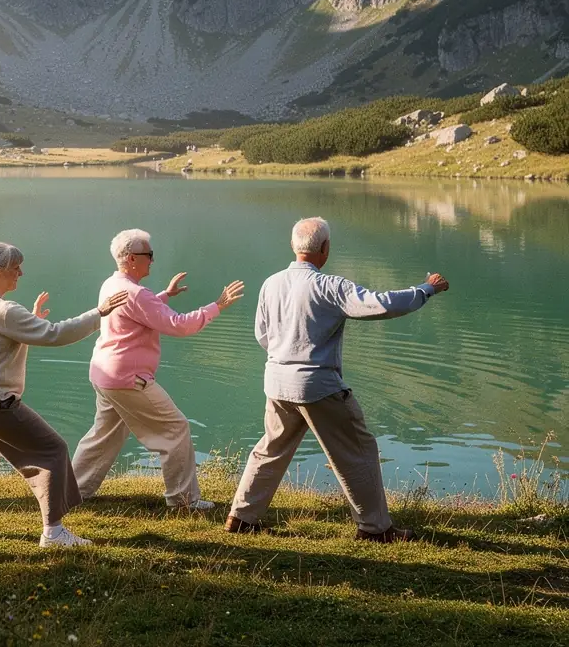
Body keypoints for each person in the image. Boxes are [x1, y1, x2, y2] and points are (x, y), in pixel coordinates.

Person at [226, 216, 450, 542]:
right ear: (325, 249)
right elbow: (381, 305)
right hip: (317, 387)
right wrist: (426, 289)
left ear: (293, 246)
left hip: (276, 382)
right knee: (358, 451)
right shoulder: (330, 287)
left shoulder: (271, 283)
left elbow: (263, 335)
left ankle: (241, 518)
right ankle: (376, 529)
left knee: (270, 450)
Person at [0, 242, 129, 548]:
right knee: (52, 450)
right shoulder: (4, 310)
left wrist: (32, 320)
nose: (20, 273)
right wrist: (99, 313)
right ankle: (53, 533)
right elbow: (54, 334)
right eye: (16, 268)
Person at [71, 229, 245, 509]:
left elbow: (136, 312)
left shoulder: (112, 284)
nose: (152, 260)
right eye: (148, 255)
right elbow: (178, 325)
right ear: (130, 259)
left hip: (105, 374)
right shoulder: (138, 294)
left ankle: (71, 491)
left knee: (103, 436)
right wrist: (218, 305)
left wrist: (164, 295)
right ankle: (182, 500)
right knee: (176, 429)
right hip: (128, 380)